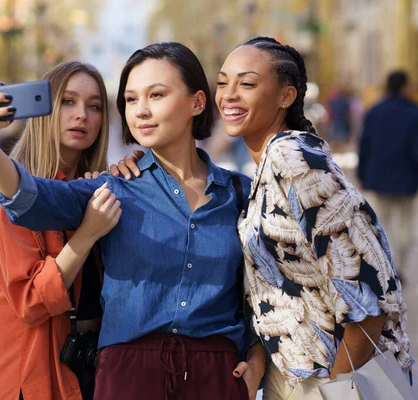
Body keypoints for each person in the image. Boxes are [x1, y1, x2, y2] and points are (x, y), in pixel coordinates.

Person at [114, 37, 414, 400]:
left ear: (285, 96)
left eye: (248, 84)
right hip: (293, 372)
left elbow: (367, 295)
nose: (229, 95)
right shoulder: (268, 166)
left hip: (325, 378)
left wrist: (334, 387)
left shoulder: (294, 161)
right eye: (223, 82)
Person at [0, 42, 266, 400]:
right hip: (100, 375)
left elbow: (266, 291)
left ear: (197, 102)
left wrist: (258, 355)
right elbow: (30, 198)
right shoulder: (112, 189)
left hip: (215, 376)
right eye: (130, 99)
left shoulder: (241, 193)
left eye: (156, 95)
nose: (141, 111)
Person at [0, 61, 119, 400]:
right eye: (68, 101)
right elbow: (32, 303)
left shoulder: (94, 190)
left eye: (94, 106)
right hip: (31, 380)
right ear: (44, 109)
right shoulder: (13, 200)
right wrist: (86, 236)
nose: (82, 114)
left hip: (87, 373)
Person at [358, 70, 418, 282]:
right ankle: (399, 265)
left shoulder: (374, 111)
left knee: (382, 223)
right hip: (407, 178)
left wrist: (362, 172)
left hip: (379, 177)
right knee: (405, 227)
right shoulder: (413, 113)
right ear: (405, 87)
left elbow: (364, 144)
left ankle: (387, 266)